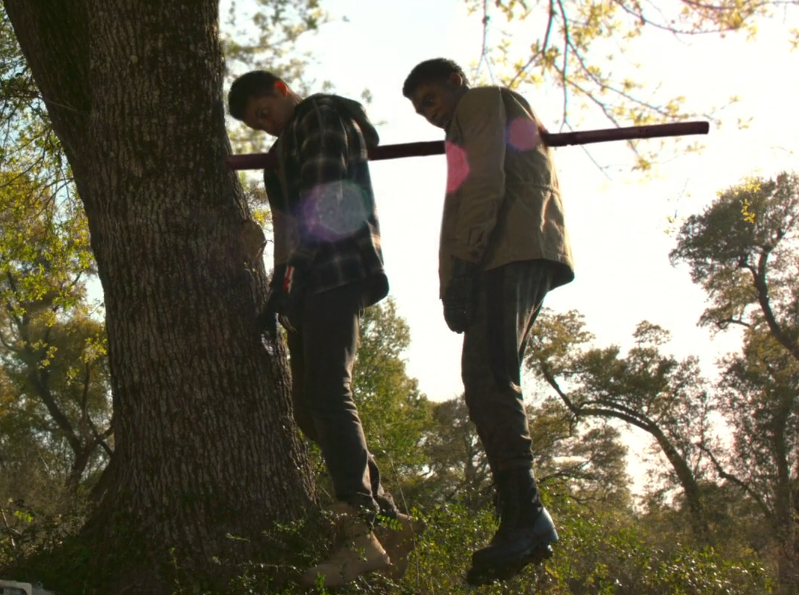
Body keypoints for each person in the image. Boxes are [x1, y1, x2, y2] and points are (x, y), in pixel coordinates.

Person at [227, 70, 422, 587]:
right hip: (303, 282)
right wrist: (279, 291)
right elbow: (288, 222)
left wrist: (292, 276)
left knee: (330, 392)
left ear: (281, 90)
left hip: (334, 267)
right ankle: (386, 520)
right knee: (308, 408)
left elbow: (325, 199)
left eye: (263, 112)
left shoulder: (319, 117)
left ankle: (359, 528)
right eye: (255, 124)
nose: (263, 126)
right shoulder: (287, 143)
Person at [400, 58, 575, 586]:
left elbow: (483, 186)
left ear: (455, 82)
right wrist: (454, 280)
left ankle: (527, 518)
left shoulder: (479, 103)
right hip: (507, 253)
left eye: (429, 100)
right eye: (419, 110)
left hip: (506, 252)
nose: (427, 115)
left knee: (488, 377)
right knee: (488, 378)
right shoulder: (468, 123)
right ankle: (522, 516)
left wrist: (464, 272)